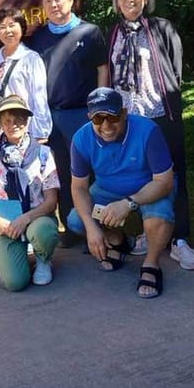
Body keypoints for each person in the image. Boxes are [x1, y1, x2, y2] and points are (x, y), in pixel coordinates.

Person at [107, 0, 194, 270]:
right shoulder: (112, 34)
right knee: (143, 176)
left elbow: (175, 72)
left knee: (172, 175)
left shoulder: (162, 28)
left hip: (160, 115)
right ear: (116, 2)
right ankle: (151, 233)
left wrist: (170, 104)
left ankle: (180, 240)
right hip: (129, 119)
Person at [68, 87, 175, 299]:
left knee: (159, 218)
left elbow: (164, 182)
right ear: (90, 118)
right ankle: (118, 242)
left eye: (113, 117)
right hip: (107, 189)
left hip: (148, 188)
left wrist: (128, 204)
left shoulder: (148, 130)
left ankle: (151, 264)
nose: (106, 125)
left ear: (124, 113)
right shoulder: (80, 139)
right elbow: (78, 187)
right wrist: (91, 228)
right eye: (98, 119)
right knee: (76, 221)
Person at [26, 0, 108, 220]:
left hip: (81, 113)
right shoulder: (38, 38)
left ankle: (95, 227)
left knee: (86, 171)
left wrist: (98, 109)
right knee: (59, 171)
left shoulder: (90, 32)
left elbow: (102, 68)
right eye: (48, 1)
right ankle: (71, 227)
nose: (54, 5)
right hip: (50, 117)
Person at [0, 95, 60, 291]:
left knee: (43, 231)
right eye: (7, 120)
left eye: (19, 118)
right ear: (0, 122)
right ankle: (16, 259)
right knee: (14, 283)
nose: (13, 124)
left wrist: (25, 219)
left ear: (27, 120)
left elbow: (51, 201)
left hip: (36, 217)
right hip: (5, 225)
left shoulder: (43, 154)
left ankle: (43, 259)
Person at [0, 7, 52, 142]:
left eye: (12, 25)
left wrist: (41, 133)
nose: (7, 31)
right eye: (2, 27)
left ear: (22, 28)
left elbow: (39, 97)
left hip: (26, 130)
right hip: (1, 132)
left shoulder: (31, 58)